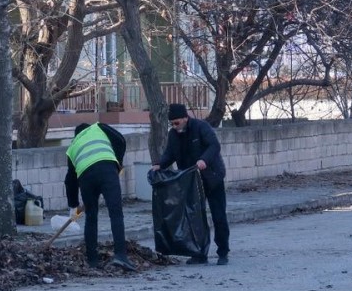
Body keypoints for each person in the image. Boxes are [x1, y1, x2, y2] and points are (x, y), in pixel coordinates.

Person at [150, 103, 230, 265]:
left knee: (218, 215)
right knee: (194, 218)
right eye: (172, 124)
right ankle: (199, 253)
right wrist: (160, 164)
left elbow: (214, 146)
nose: (174, 126)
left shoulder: (201, 127)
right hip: (190, 183)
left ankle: (223, 251)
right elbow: (170, 154)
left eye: (177, 123)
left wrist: (203, 160)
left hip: (211, 178)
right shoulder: (173, 135)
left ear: (185, 118)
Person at [64, 121, 133, 271]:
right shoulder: (97, 127)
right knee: (116, 213)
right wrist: (118, 163)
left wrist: (73, 206)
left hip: (85, 177)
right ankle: (121, 255)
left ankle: (92, 260)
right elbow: (120, 140)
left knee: (91, 217)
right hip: (107, 169)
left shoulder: (72, 147)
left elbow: (70, 180)